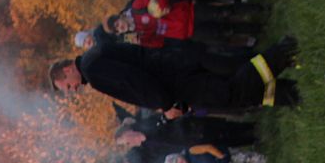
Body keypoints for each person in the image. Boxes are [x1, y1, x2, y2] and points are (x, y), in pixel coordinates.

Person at [49, 36, 299, 112]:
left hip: (173, 81)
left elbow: (134, 81)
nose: (74, 90)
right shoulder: (94, 54)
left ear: (68, 70)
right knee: (234, 86)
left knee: (230, 93)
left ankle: (286, 52)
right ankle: (293, 92)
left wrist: (166, 105)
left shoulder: (93, 71)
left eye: (68, 86)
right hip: (173, 65)